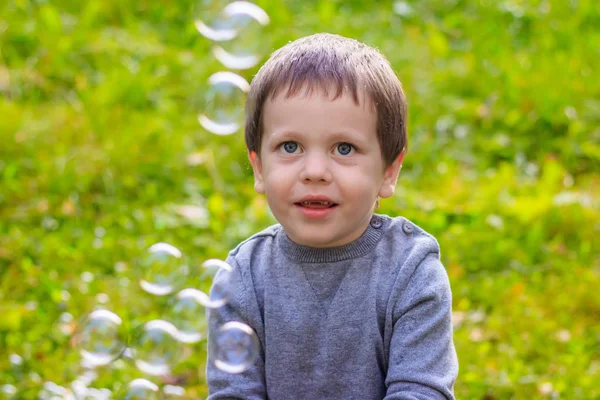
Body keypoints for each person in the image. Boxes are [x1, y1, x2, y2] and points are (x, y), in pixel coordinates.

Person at [206, 32, 458, 399]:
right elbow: (233, 393)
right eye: (290, 147)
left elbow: (421, 391)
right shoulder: (243, 278)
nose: (315, 171)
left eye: (344, 148)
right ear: (258, 168)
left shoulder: (411, 271)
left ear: (389, 171)